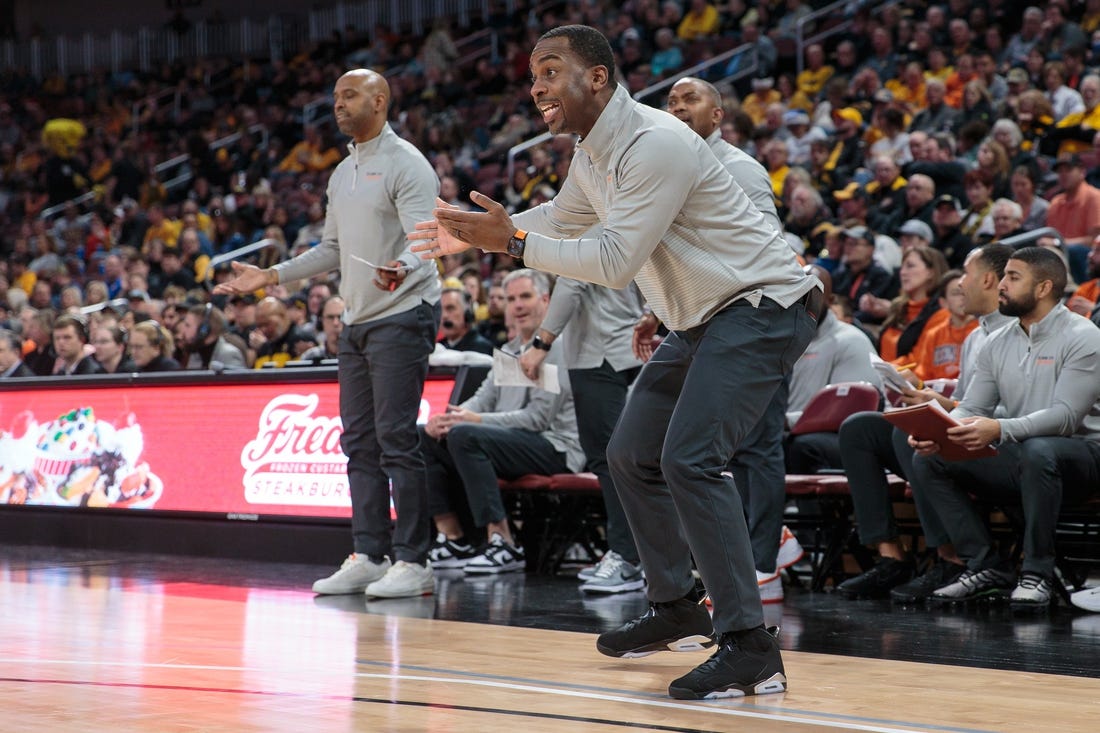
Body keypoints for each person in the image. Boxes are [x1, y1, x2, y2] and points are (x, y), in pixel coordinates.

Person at [409, 25, 821, 700]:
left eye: (549, 71)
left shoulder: (653, 140)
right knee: (631, 454)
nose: (536, 86)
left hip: (763, 305)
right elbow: (564, 216)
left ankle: (751, 647)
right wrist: (475, 235)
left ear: (596, 78)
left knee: (690, 456)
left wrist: (510, 242)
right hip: (701, 317)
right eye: (532, 75)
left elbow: (611, 259)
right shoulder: (593, 152)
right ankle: (676, 605)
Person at [215, 68, 442, 600]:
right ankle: (369, 554)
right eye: (335, 96)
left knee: (395, 439)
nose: (337, 104)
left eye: (349, 95)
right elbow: (332, 249)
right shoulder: (342, 172)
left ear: (379, 100)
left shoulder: (407, 163)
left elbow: (428, 239)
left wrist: (402, 266)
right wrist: (270, 276)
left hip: (404, 312)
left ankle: (414, 560)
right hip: (358, 320)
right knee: (358, 441)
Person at [664, 76, 800, 603]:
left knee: (759, 446)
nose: (677, 108)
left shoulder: (740, 168)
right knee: (726, 449)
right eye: (671, 102)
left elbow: (769, 245)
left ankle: (764, 562)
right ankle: (770, 542)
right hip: (709, 322)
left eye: (690, 100)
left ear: (718, 115)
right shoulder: (672, 172)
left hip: (759, 318)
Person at [907, 247, 1100, 610]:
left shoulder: (1083, 336)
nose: (1002, 286)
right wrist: (939, 432)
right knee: (930, 460)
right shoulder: (997, 342)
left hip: (1084, 456)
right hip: (1024, 453)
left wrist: (998, 429)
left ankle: (1037, 572)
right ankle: (984, 564)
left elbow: (1064, 418)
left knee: (1039, 449)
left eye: (1013, 277)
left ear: (1043, 288)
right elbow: (973, 406)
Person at [835, 244, 1015, 602]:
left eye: (965, 274)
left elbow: (1008, 409)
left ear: (990, 279)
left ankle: (949, 557)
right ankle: (891, 556)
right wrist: (933, 400)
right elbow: (967, 402)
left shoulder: (1011, 332)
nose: (959, 284)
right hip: (965, 427)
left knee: (911, 435)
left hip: (996, 439)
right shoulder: (977, 335)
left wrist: (941, 406)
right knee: (859, 428)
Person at [425, 269, 584, 574]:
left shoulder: (559, 347)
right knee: (427, 436)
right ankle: (454, 537)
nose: (517, 305)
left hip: (557, 447)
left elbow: (538, 419)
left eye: (525, 296)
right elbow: (482, 399)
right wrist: (448, 418)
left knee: (467, 436)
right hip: (515, 442)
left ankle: (503, 541)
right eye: (512, 299)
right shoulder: (510, 352)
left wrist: (474, 420)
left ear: (546, 300)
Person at [517, 267, 646, 593]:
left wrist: (541, 342)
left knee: (610, 460)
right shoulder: (607, 219)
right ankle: (629, 554)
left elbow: (572, 280)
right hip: (617, 343)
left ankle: (628, 559)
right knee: (618, 459)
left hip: (598, 352)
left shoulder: (584, 219)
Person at [178, 304, 247, 371]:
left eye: (188, 325)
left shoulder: (229, 354)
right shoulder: (195, 354)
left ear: (204, 330)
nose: (183, 330)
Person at [437, 287, 494, 355]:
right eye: (440, 309)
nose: (444, 316)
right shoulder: (437, 348)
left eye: (450, 308)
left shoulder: (483, 349)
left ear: (467, 313)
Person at [300, 295, 345, 362]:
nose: (335, 323)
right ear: (321, 320)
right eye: (330, 317)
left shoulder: (361, 357)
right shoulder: (310, 357)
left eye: (340, 317)